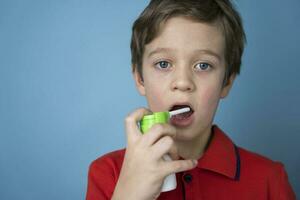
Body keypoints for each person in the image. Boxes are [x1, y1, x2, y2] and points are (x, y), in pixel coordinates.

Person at [86, 0, 296, 199]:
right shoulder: (108, 173)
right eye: (163, 64)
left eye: (203, 65)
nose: (183, 82)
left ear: (226, 82)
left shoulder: (269, 179)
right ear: (140, 78)